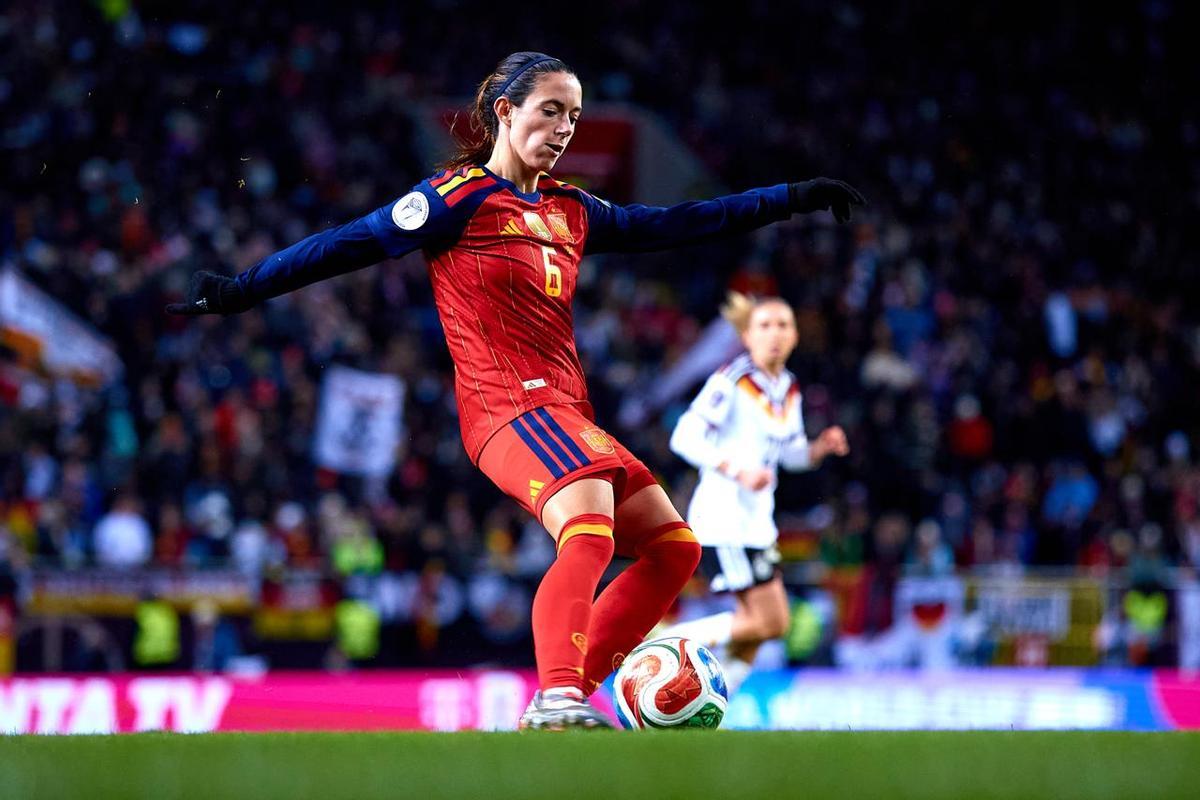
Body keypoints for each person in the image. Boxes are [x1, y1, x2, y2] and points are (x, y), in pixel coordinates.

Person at [167, 51, 864, 729]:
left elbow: (679, 223)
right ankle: (559, 698)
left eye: (575, 116)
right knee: (587, 527)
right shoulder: (454, 198)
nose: (564, 129)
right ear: (505, 111)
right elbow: (345, 244)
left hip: (564, 411)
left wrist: (790, 198)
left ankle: (559, 705)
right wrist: (239, 291)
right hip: (506, 406)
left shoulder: (573, 209)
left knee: (674, 549)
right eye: (551, 111)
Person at [664, 292, 850, 696]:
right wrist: (736, 469)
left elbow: (790, 453)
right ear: (747, 336)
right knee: (768, 620)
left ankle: (711, 710)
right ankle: (662, 647)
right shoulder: (732, 380)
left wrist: (818, 448)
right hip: (724, 517)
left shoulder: (788, 387)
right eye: (765, 326)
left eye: (783, 325)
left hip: (757, 523)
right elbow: (684, 436)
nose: (775, 334)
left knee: (769, 624)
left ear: (796, 335)